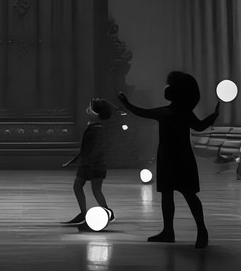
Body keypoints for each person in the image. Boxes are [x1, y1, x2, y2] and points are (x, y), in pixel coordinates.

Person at [117, 72, 219, 248]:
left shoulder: (165, 113)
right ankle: (199, 231)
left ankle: (169, 231)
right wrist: (213, 116)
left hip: (168, 157)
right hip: (183, 156)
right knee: (188, 195)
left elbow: (140, 112)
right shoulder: (185, 113)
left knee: (168, 195)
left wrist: (125, 103)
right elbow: (200, 126)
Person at [62, 98, 115, 228]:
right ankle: (84, 213)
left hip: (94, 165)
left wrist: (85, 162)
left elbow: (94, 150)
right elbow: (86, 149)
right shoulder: (93, 127)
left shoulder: (97, 129)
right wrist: (74, 161)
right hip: (88, 164)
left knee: (95, 190)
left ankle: (106, 212)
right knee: (79, 186)